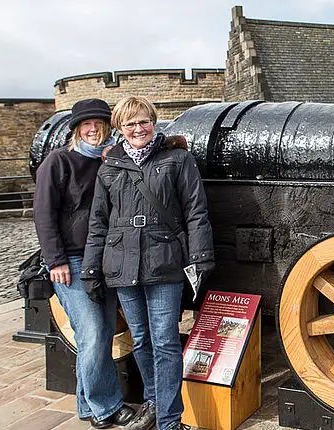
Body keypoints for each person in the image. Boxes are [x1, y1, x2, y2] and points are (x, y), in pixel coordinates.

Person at [82, 95, 215, 430]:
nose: (138, 128)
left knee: (165, 341)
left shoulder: (177, 158)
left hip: (163, 259)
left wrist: (200, 258)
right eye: (130, 123)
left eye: (143, 121)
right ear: (120, 129)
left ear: (153, 122)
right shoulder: (110, 166)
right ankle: (155, 404)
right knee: (141, 340)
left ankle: (169, 421)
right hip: (122, 262)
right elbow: (98, 222)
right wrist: (90, 268)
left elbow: (195, 211)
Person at [33, 98, 135, 429]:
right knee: (92, 333)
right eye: (86, 125)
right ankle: (107, 408)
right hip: (72, 261)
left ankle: (87, 404)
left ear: (108, 128)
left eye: (99, 124)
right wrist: (55, 260)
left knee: (101, 334)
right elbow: (43, 214)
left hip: (104, 259)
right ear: (77, 129)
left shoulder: (109, 161)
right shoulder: (59, 161)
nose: (93, 129)